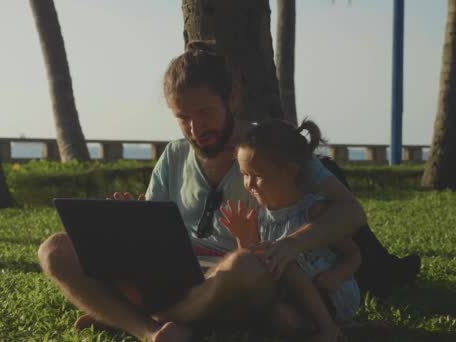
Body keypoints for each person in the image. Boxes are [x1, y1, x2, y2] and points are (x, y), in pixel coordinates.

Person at [37, 40, 418, 341]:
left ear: (231, 98)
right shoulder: (173, 156)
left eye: (203, 112)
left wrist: (293, 243)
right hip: (174, 278)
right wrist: (129, 220)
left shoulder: (268, 149)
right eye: (182, 118)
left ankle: (129, 317)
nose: (194, 128)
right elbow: (155, 230)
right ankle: (152, 331)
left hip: (239, 282)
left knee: (246, 264)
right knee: (54, 249)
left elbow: (350, 212)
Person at [219, 119, 361, 340]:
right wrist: (242, 236)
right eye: (245, 175)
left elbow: (353, 254)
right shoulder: (258, 214)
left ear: (289, 171)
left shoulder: (312, 211)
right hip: (289, 297)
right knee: (281, 317)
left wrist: (336, 275)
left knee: (280, 259)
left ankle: (328, 328)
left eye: (258, 176)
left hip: (328, 294)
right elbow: (253, 264)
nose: (250, 184)